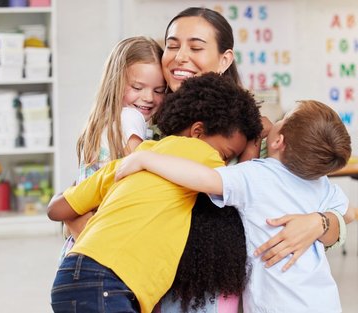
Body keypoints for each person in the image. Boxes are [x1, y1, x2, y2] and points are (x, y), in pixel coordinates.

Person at [153, 7, 352, 313]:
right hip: (150, 281)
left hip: (223, 295)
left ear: (225, 59)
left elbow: (335, 212)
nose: (180, 57)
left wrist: (320, 222)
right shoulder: (144, 116)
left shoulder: (254, 131)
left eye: (195, 47)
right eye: (172, 44)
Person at [48, 73, 263, 313]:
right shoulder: (200, 153)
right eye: (225, 154)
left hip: (71, 275)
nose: (223, 162)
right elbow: (236, 183)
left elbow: (56, 209)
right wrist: (253, 147)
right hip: (109, 282)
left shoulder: (131, 161)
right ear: (198, 131)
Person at [116, 100, 352, 312]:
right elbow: (348, 213)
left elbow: (204, 178)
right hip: (324, 301)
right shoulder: (321, 183)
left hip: (276, 305)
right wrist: (319, 219)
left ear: (279, 141)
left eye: (282, 120)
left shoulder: (257, 174)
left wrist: (145, 158)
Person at [60, 36, 166, 255]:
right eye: (137, 87)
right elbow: (144, 166)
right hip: (105, 245)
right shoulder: (129, 117)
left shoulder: (101, 124)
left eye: (159, 90)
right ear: (116, 82)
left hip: (81, 248)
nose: (148, 97)